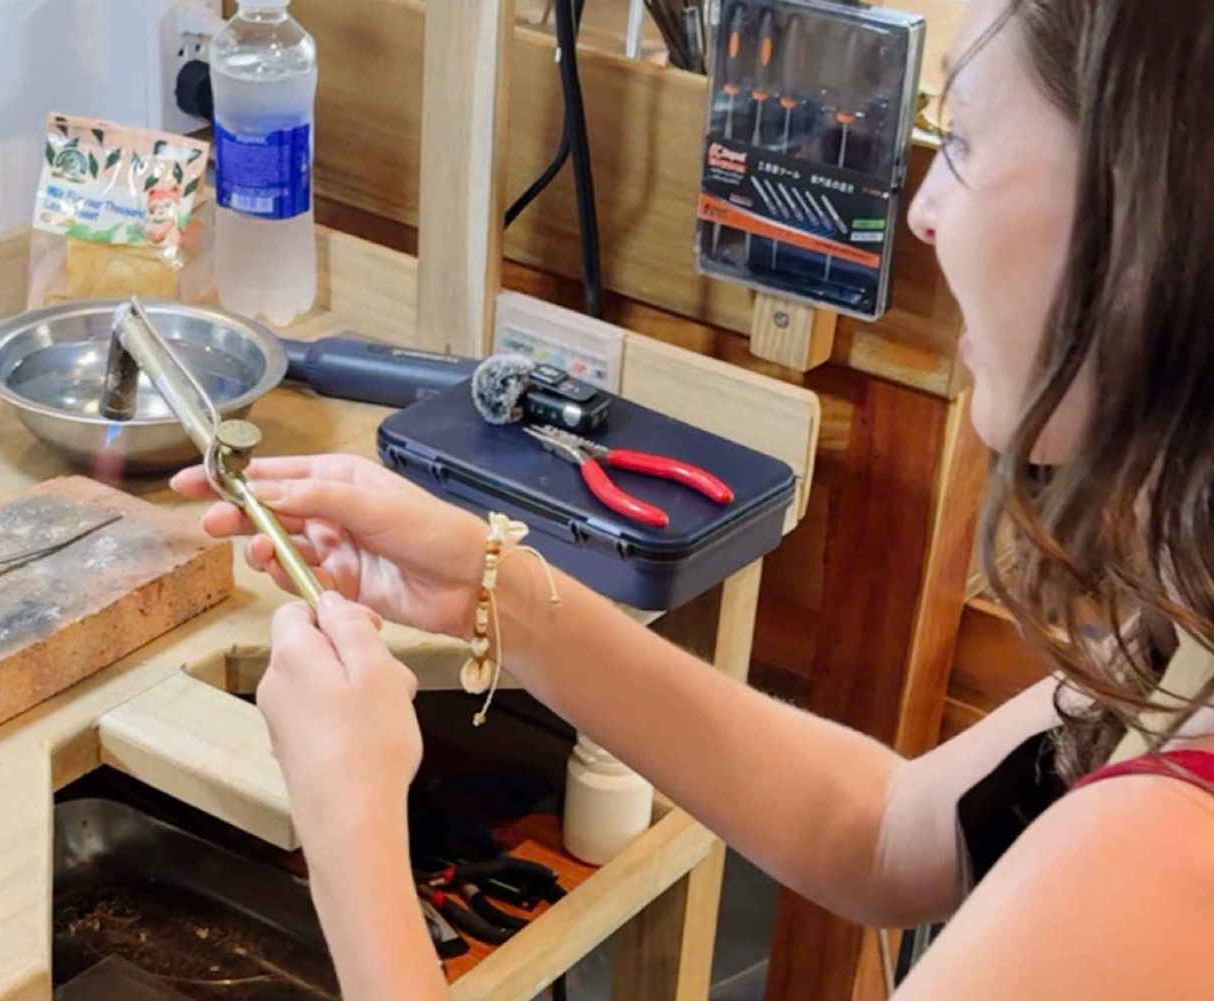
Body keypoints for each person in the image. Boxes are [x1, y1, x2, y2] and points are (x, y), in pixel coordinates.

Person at [172, 0, 1214, 996]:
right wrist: (504, 594)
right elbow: (884, 829)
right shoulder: (1185, 639)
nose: (925, 210)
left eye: (969, 143)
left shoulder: (1154, 863)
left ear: (1152, 220)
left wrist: (351, 819)